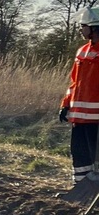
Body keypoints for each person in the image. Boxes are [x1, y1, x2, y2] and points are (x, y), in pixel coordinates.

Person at [61, 7, 99, 184]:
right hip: (78, 119)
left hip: (96, 120)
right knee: (80, 156)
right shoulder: (81, 51)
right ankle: (80, 191)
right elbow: (74, 83)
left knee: (96, 160)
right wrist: (66, 104)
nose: (80, 29)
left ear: (94, 28)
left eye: (83, 26)